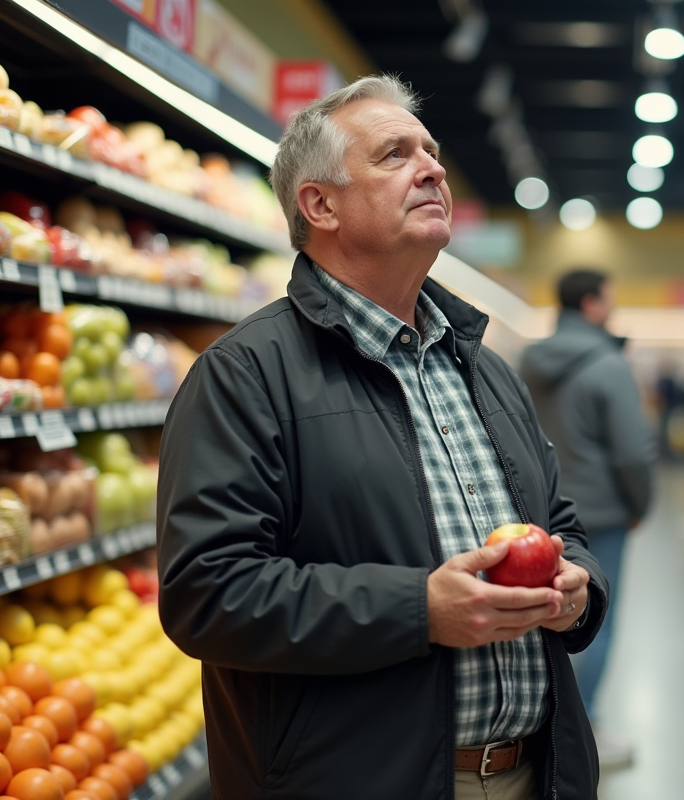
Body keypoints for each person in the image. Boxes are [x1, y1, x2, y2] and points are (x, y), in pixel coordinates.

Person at [156, 75, 607, 800]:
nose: (432, 168)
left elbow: (561, 525)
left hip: (534, 774)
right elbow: (208, 593)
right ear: (320, 204)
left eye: (431, 152)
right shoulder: (244, 376)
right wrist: (418, 610)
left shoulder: (485, 370)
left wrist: (580, 588)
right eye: (395, 154)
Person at [520, 270, 655, 768]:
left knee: (546, 617)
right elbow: (633, 454)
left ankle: (546, 722)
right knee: (595, 614)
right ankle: (587, 726)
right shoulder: (608, 364)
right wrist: (640, 505)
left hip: (544, 507)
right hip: (602, 509)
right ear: (594, 304)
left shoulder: (528, 361)